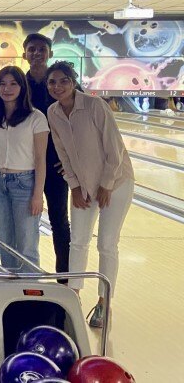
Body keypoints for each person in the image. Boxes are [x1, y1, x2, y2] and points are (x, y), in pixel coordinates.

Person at [46, 61, 134, 328]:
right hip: (83, 185)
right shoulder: (53, 112)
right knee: (78, 241)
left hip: (116, 183)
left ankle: (104, 303)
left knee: (106, 243)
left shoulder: (95, 106)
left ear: (73, 82)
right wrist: (73, 185)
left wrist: (106, 185)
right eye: (52, 82)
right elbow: (62, 153)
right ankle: (74, 294)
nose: (57, 86)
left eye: (63, 81)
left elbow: (114, 149)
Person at [0, 66, 49, 273]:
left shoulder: (36, 118)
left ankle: (29, 297)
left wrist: (38, 195)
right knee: (5, 243)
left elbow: (40, 159)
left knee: (27, 245)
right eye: (2, 84)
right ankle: (11, 291)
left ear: (22, 87)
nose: (7, 88)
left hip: (25, 184)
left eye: (13, 83)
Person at [23, 33, 70, 275]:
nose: (37, 53)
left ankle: (65, 276)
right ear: (25, 54)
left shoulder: (62, 81)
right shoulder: (20, 83)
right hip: (26, 163)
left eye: (42, 49)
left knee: (59, 221)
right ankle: (26, 271)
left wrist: (70, 160)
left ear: (50, 53)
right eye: (32, 49)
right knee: (25, 221)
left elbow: (79, 125)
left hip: (55, 165)